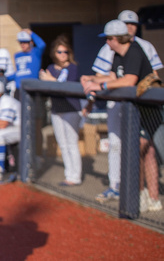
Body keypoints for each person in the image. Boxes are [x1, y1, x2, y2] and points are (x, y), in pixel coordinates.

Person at [81, 19, 162, 212]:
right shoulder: (119, 55)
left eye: (109, 39)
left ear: (117, 38)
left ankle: (144, 196)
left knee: (141, 152)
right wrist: (91, 78)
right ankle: (149, 197)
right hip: (137, 110)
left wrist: (101, 86)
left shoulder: (134, 51)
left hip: (148, 110)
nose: (107, 43)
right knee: (146, 153)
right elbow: (113, 76)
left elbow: (129, 80)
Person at [39, 36, 82, 186]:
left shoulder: (73, 67)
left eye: (65, 51)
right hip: (57, 109)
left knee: (71, 143)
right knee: (62, 144)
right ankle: (68, 174)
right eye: (59, 52)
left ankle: (75, 176)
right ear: (54, 53)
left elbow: (66, 86)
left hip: (71, 109)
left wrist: (50, 80)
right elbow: (48, 88)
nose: (63, 54)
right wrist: (47, 80)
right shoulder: (51, 68)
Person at [11, 29, 46, 98]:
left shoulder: (36, 52)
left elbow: (42, 45)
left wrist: (31, 33)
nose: (23, 44)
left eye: (25, 42)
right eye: (21, 42)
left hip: (32, 87)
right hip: (19, 88)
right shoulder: (17, 55)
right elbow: (18, 72)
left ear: (31, 42)